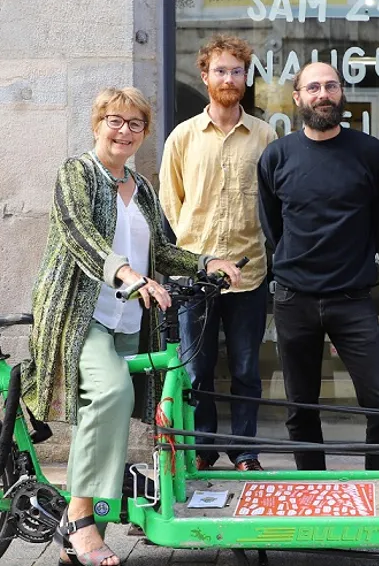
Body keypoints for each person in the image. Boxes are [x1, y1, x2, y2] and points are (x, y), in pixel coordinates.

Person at [22, 86, 240, 566]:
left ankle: (76, 542)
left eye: (135, 123)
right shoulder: (76, 173)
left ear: (145, 132)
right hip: (80, 314)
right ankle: (80, 519)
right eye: (114, 121)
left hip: (127, 317)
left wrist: (207, 262)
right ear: (97, 124)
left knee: (107, 416)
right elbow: (81, 234)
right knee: (113, 394)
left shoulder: (139, 186)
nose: (124, 131)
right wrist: (127, 274)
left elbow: (163, 248)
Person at [257, 61, 379, 471]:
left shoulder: (370, 152)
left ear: (342, 93)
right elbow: (273, 227)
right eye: (314, 87)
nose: (324, 94)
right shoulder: (276, 156)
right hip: (294, 299)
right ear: (298, 97)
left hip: (352, 299)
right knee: (301, 407)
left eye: (331, 86)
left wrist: (354, 262)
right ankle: (312, 490)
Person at [159, 34, 277, 472]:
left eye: (237, 71)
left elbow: (272, 201)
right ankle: (202, 449)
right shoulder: (183, 138)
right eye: (221, 71)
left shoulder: (265, 136)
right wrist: (196, 253)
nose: (230, 79)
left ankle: (245, 452)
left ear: (247, 79)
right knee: (195, 371)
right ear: (206, 76)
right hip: (194, 278)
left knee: (246, 369)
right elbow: (171, 205)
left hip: (249, 272)